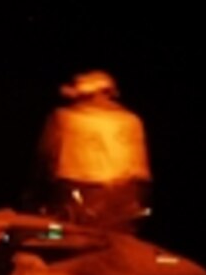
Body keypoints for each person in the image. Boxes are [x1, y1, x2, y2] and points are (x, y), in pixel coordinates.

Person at [30, 70, 152, 233]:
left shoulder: (64, 118)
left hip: (74, 189)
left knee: (62, 231)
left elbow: (46, 156)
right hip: (125, 193)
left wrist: (37, 188)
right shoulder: (131, 121)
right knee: (117, 236)